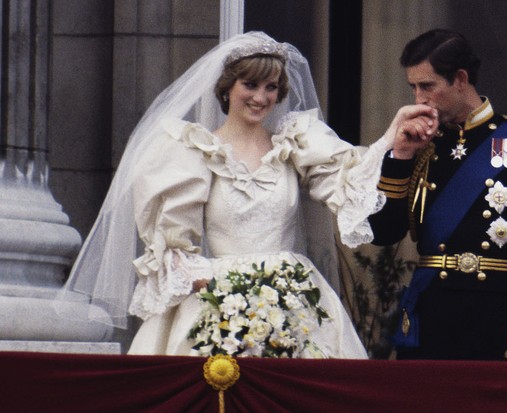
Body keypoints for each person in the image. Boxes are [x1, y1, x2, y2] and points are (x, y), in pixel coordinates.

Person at [55, 31, 437, 358]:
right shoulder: (193, 151)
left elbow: (349, 181)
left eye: (271, 87)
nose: (261, 97)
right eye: (250, 85)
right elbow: (175, 248)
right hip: (219, 300)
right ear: (227, 89)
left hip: (296, 299)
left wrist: (392, 140)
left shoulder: (295, 143)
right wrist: (228, 295)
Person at [368, 28, 507, 361]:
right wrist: (399, 157)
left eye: (427, 86)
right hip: (430, 315)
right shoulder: (417, 144)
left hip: (497, 315)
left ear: (460, 79)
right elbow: (383, 233)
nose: (418, 99)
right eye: (414, 87)